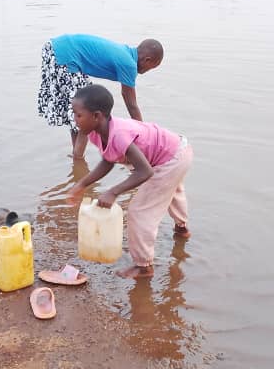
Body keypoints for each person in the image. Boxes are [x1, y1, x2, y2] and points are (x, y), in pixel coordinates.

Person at [67, 84, 192, 279]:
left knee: (139, 211)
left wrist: (113, 192)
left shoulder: (119, 135)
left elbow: (144, 172)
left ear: (97, 116)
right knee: (170, 191)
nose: (75, 120)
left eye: (78, 115)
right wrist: (82, 184)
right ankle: (182, 229)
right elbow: (108, 160)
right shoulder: (96, 132)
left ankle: (143, 266)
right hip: (176, 150)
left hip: (171, 159)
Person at [37, 34, 164, 159]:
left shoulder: (125, 54)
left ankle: (77, 159)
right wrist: (144, 135)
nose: (148, 70)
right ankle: (78, 157)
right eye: (152, 67)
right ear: (147, 60)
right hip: (64, 55)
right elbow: (131, 105)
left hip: (56, 48)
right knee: (87, 111)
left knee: (80, 111)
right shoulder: (129, 64)